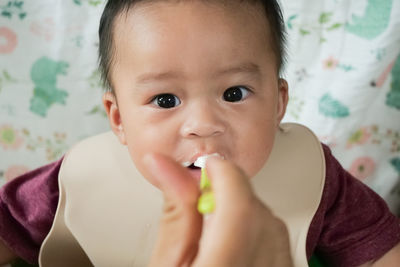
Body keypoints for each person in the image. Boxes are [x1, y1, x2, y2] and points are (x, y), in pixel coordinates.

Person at [0, 0, 399, 266]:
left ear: (278, 102)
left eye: (234, 93)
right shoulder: (78, 178)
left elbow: (382, 251)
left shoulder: (313, 175)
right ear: (118, 118)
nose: (203, 124)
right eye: (165, 100)